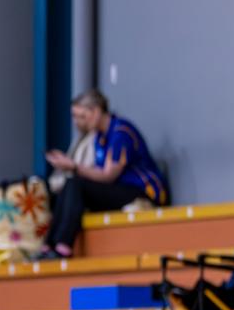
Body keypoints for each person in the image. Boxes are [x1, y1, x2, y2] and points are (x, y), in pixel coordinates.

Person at [42, 89, 167, 258]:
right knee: (70, 185)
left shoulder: (121, 132)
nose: (78, 122)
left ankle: (63, 244)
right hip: (119, 190)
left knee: (76, 183)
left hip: (141, 192)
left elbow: (108, 175)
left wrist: (73, 166)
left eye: (82, 117)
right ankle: (49, 244)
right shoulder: (100, 137)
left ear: (96, 111)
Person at [47, 99, 97, 197]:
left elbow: (88, 170)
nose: (76, 121)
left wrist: (68, 165)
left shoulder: (96, 139)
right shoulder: (79, 137)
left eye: (82, 116)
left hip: (76, 189)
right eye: (74, 116)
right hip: (64, 185)